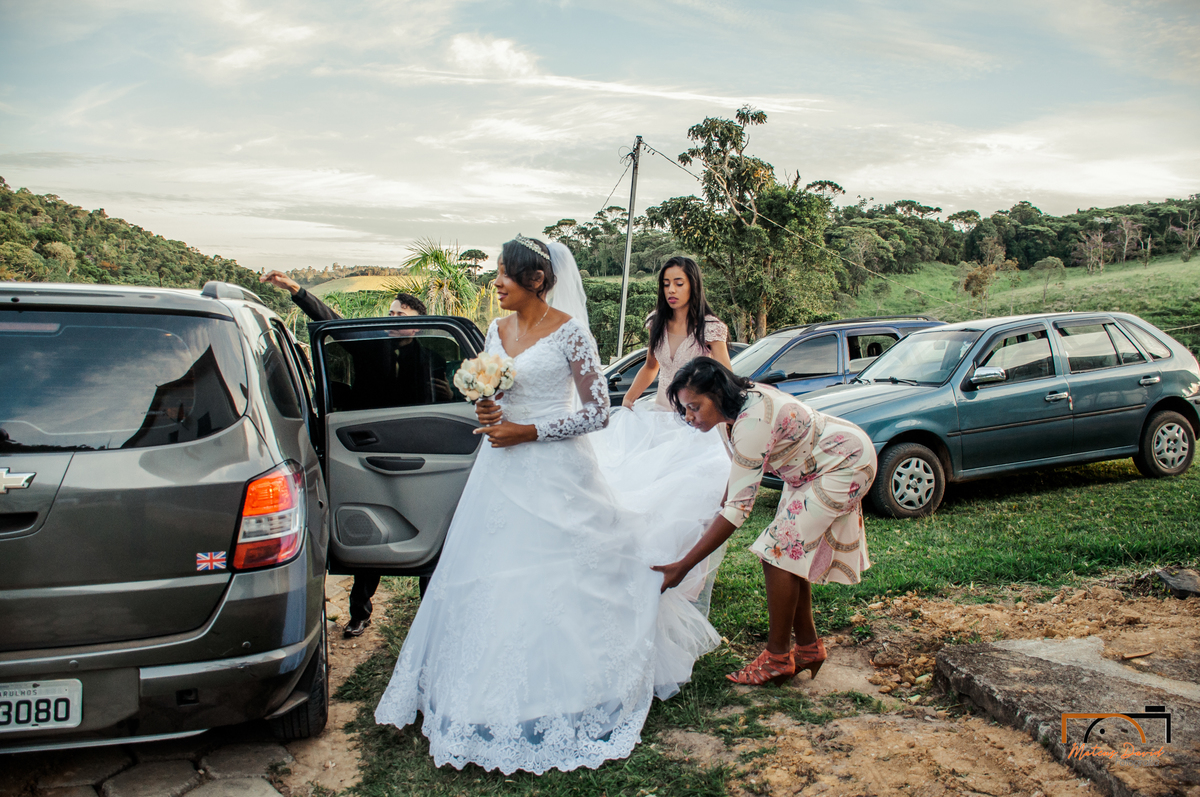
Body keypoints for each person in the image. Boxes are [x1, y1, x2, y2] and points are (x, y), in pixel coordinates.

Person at [373, 236, 720, 774]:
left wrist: (527, 430)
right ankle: (476, 695)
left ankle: (573, 688)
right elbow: (495, 386)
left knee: (563, 574)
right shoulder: (496, 328)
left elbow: (598, 411)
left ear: (536, 280)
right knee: (490, 575)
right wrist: (488, 408)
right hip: (500, 471)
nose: (497, 283)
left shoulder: (570, 333)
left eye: (506, 275)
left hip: (557, 471)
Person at [653, 358, 876, 686]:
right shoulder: (734, 411)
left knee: (776, 554)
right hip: (808, 470)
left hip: (844, 462)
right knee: (785, 556)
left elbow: (738, 511)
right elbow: (740, 472)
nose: (689, 417)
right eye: (686, 409)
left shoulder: (752, 421)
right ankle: (808, 648)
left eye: (694, 407)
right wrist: (720, 505)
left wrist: (683, 566)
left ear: (716, 394)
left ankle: (776, 657)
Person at [259, 269, 436, 637]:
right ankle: (360, 612)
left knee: (427, 532)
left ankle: (428, 616)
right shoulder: (369, 346)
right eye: (389, 313)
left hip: (417, 453)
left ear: (416, 324)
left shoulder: (433, 357)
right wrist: (295, 289)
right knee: (371, 534)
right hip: (368, 448)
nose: (390, 320)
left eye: (399, 316)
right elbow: (331, 321)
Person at [588, 256, 734, 614]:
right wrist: (631, 399)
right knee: (652, 498)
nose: (671, 290)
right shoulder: (656, 322)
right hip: (660, 418)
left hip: (696, 425)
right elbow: (652, 367)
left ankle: (689, 577)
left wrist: (730, 416)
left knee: (692, 502)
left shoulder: (711, 328)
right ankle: (646, 562)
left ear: (693, 285)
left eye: (679, 283)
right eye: (666, 283)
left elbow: (726, 373)